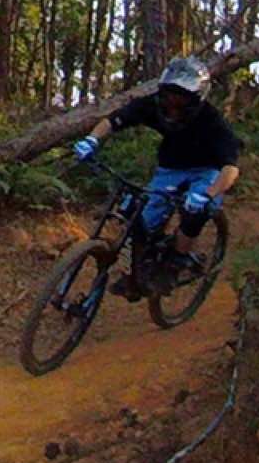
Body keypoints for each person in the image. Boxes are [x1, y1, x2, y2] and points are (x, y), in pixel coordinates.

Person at [71, 56, 242, 294]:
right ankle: (140, 271)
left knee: (196, 210)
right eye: (168, 97)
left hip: (207, 171)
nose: (172, 106)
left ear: (196, 100)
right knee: (141, 220)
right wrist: (91, 140)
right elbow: (113, 121)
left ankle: (177, 262)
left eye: (180, 100)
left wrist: (207, 194)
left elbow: (230, 169)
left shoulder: (213, 123)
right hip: (170, 168)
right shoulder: (151, 105)